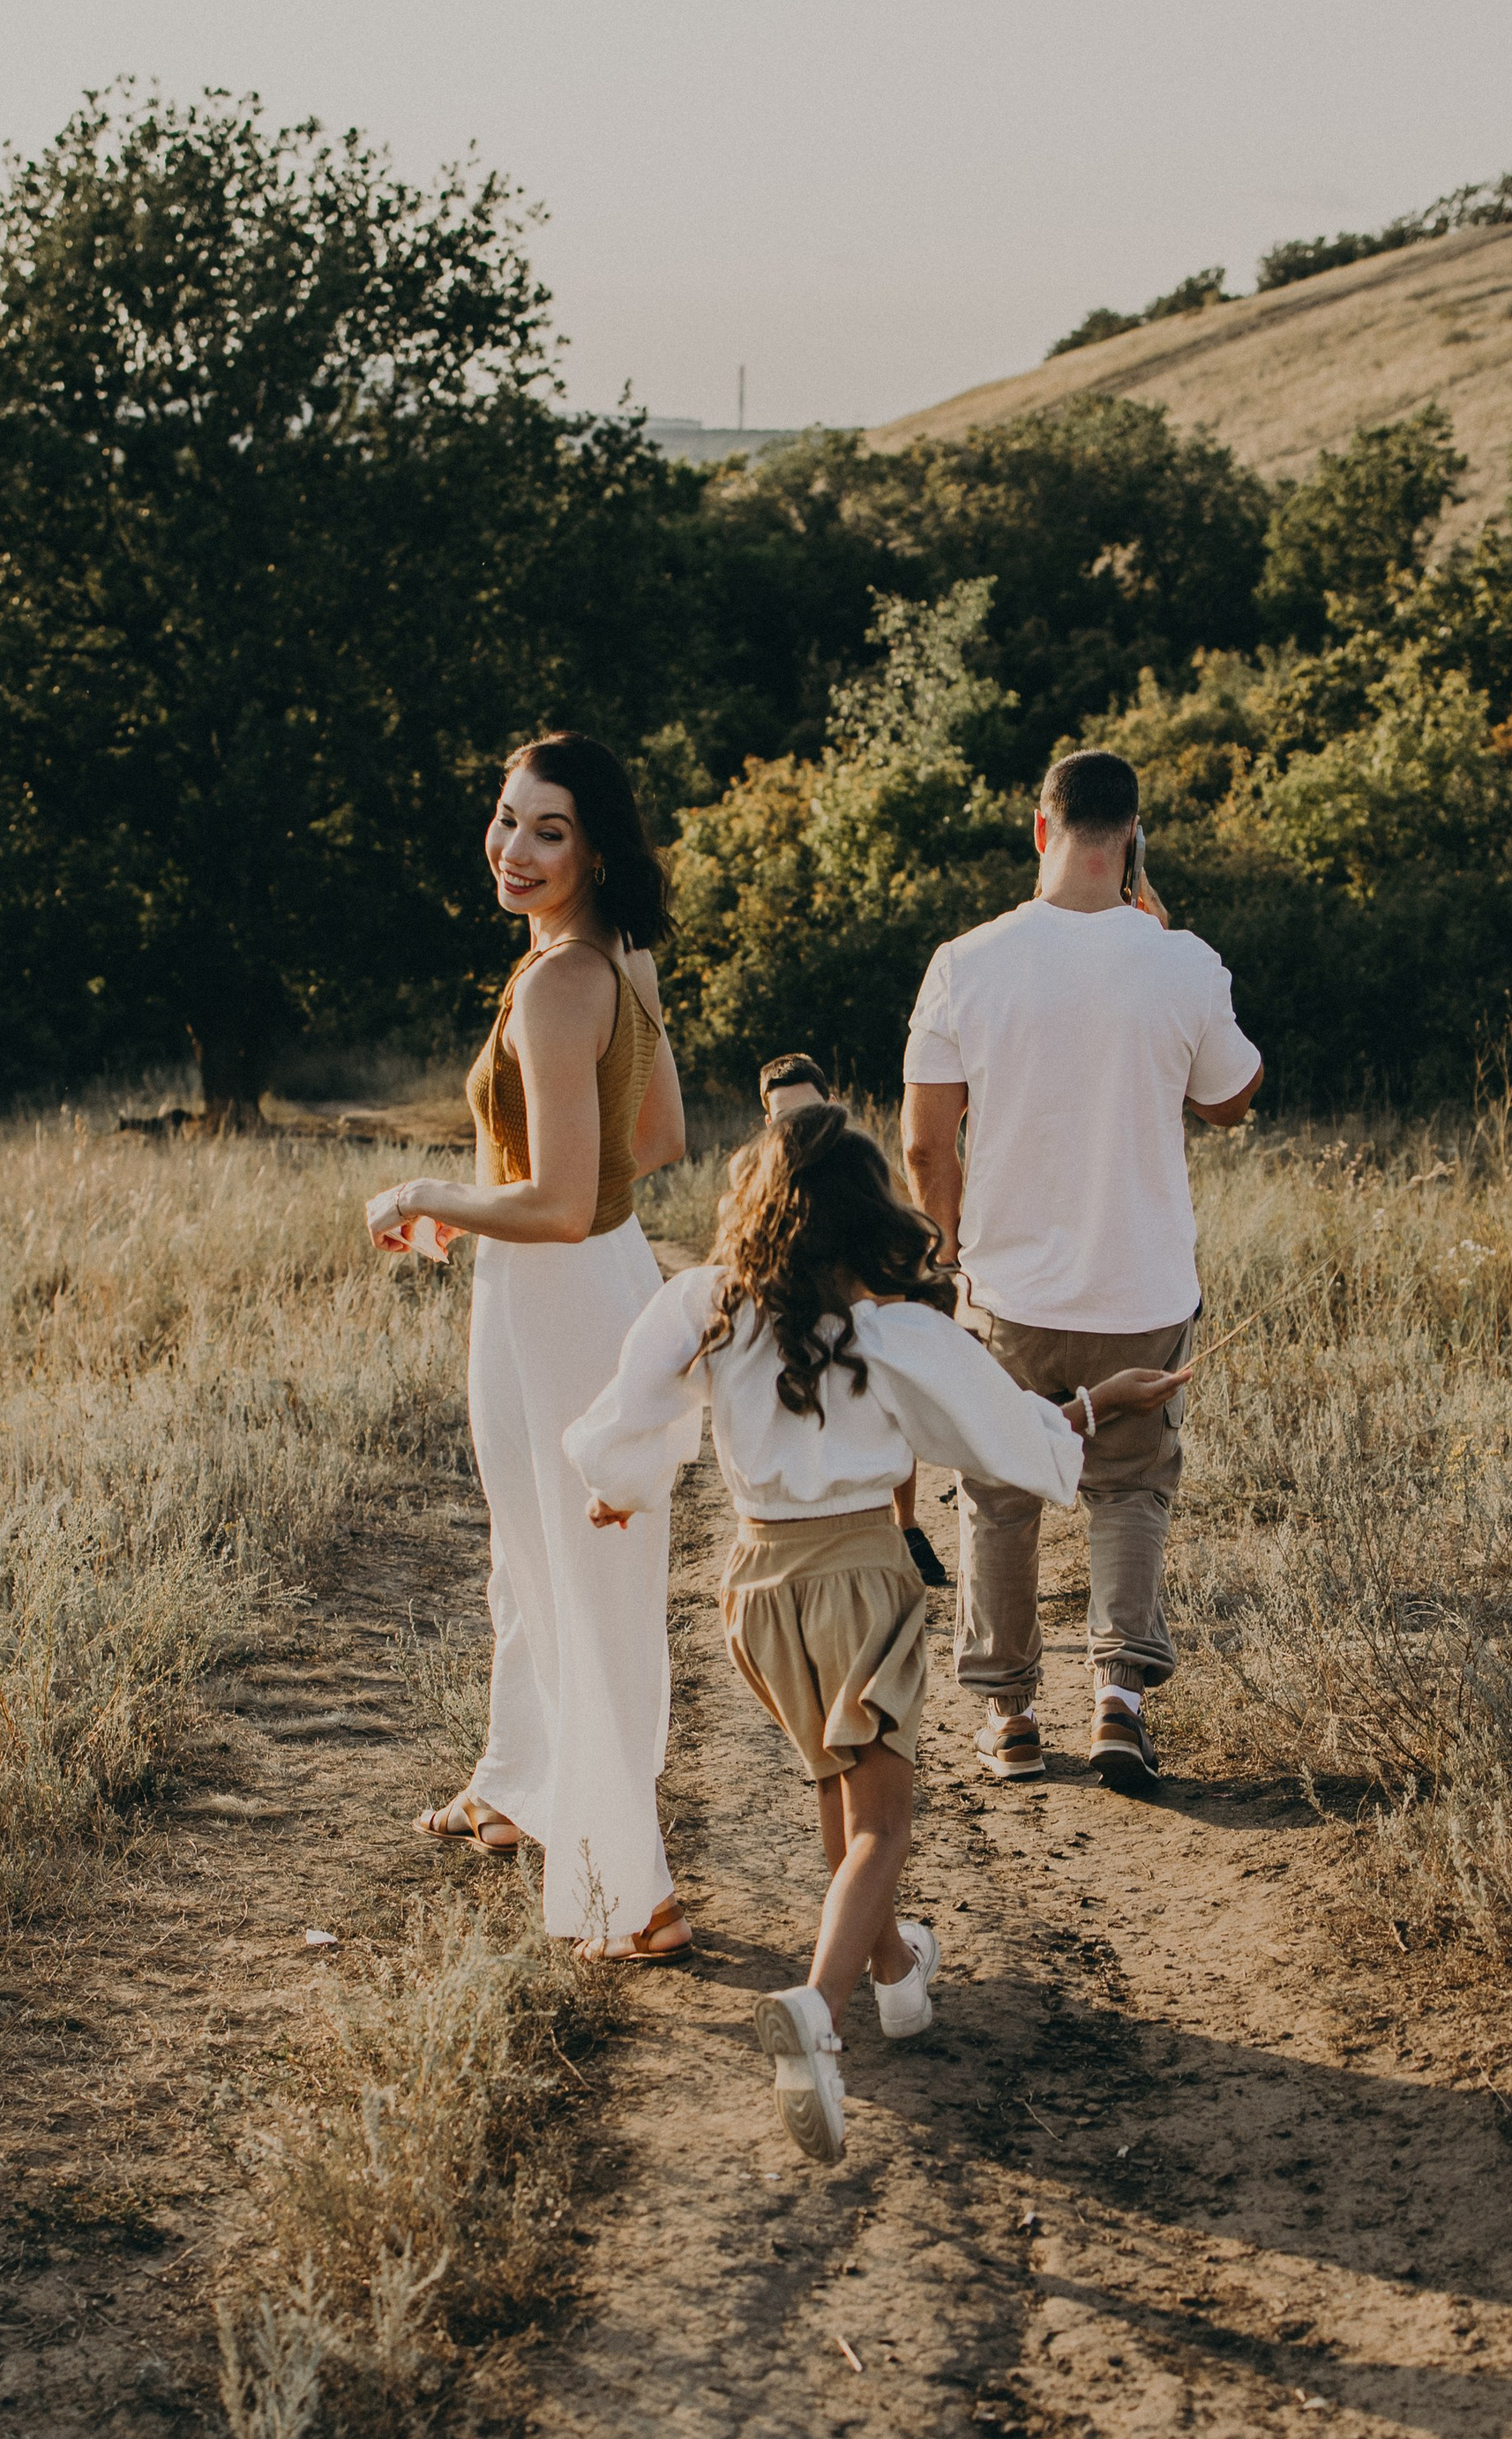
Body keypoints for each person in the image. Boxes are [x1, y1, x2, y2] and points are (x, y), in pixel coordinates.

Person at [564, 1108, 1185, 2163]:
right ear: (862, 1219)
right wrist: (1093, 1406)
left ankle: (896, 1973)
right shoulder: (894, 1336)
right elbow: (997, 1430)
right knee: (880, 1828)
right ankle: (816, 2012)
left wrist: (616, 1490)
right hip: (856, 1576)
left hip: (755, 1590)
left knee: (835, 1788)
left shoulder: (706, 1308)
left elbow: (627, 1413)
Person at [364, 734, 691, 1956]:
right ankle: (520, 1786)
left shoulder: (560, 986)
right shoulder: (614, 956)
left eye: (548, 830)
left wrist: (427, 1197)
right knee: (535, 1560)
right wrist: (505, 1210)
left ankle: (630, 1890)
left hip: (559, 1296)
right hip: (582, 1281)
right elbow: (650, 1142)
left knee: (583, 1587)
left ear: (597, 847)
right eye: (507, 819)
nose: (513, 849)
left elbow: (558, 1195)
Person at [901, 745, 1262, 1801]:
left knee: (1002, 1491)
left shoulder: (965, 960)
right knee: (1128, 1488)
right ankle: (1118, 1701)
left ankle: (1010, 1718)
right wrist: (1164, 944)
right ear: (1133, 837)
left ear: (1039, 827)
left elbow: (927, 1144)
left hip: (1008, 1289)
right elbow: (1231, 1100)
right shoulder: (1183, 960)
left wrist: (951, 1255)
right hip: (1142, 1286)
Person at [757, 1051, 949, 1594]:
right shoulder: (761, 1184)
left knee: (885, 1393)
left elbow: (898, 1230)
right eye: (789, 1116)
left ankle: (905, 1526)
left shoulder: (862, 1165)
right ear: (769, 1123)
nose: (805, 1127)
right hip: (796, 1314)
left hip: (863, 1300)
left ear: (834, 1106)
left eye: (813, 1111)